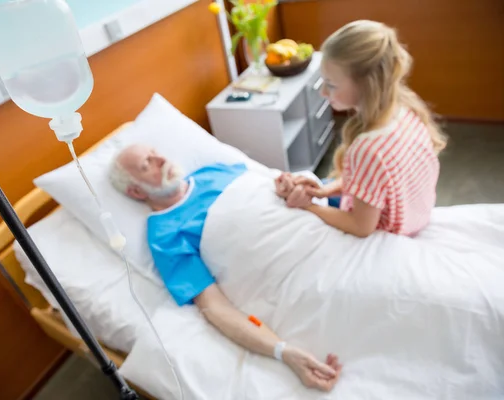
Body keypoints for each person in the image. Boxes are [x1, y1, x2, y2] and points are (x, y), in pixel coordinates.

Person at [109, 143, 343, 392]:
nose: (161, 159)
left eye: (156, 152)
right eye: (148, 164)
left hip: (322, 227)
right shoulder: (164, 234)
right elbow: (214, 306)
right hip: (295, 270)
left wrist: (285, 187)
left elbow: (268, 188)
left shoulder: (212, 171)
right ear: (136, 192)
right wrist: (283, 351)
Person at [278, 20, 448, 238]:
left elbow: (361, 227)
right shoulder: (406, 107)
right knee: (319, 183)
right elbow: (377, 181)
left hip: (393, 228)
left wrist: (309, 207)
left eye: (331, 84)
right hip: (415, 215)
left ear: (365, 85)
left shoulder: (368, 148)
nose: (322, 92)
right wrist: (324, 190)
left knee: (292, 200)